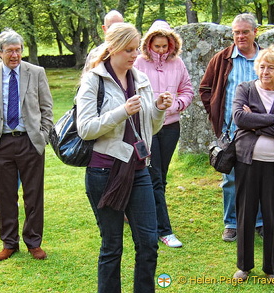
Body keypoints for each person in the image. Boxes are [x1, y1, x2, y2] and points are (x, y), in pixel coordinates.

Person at [76, 22, 172, 293]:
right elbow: (85, 129)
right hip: (104, 173)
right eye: (129, 50)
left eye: (136, 49)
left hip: (139, 169)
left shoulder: (140, 78)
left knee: (149, 243)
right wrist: (121, 111)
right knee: (112, 246)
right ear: (114, 49)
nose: (134, 55)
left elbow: (150, 128)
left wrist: (159, 109)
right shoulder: (93, 80)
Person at [0, 28, 54, 261]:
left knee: (33, 196)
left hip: (30, 143)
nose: (15, 55)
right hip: (1, 144)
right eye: (9, 51)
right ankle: (9, 243)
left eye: (18, 50)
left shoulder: (36, 72)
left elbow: (46, 108)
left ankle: (33, 242)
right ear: (0, 53)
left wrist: (42, 136)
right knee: (5, 196)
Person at [232, 44, 274, 285]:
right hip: (247, 163)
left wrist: (255, 122)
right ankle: (243, 266)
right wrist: (273, 119)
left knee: (272, 217)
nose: (265, 71)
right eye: (261, 66)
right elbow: (239, 118)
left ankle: (271, 268)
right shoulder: (245, 89)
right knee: (245, 215)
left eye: (271, 67)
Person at [199, 13, 263, 242]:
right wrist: (216, 113)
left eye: (245, 31)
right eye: (236, 32)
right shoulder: (222, 58)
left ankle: (259, 222)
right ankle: (231, 223)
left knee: (259, 178)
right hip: (231, 132)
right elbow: (205, 88)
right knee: (231, 180)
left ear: (255, 32)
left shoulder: (266, 58)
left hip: (262, 132)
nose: (240, 36)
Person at [134, 20, 193, 248]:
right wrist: (152, 106)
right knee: (154, 176)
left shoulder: (177, 63)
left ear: (171, 45)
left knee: (160, 177)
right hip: (147, 126)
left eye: (164, 46)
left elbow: (187, 89)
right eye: (156, 46)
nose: (160, 50)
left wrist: (177, 104)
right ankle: (164, 230)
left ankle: (150, 218)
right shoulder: (139, 62)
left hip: (170, 127)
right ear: (148, 44)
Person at [82, 10, 124, 75]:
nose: (116, 30)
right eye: (111, 27)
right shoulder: (95, 54)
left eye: (119, 26)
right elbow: (86, 80)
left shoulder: (133, 53)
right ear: (104, 29)